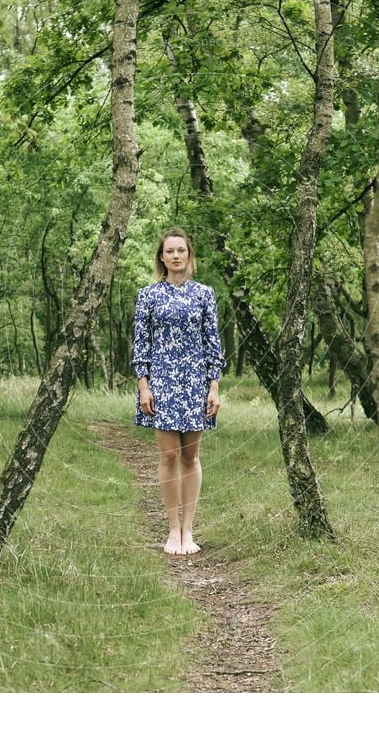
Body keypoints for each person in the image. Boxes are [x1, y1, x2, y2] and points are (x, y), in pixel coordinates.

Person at [132, 227, 225, 555]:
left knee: (191, 456)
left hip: (196, 382)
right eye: (169, 251)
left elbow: (213, 342)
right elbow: (141, 345)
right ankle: (172, 530)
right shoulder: (148, 295)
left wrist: (214, 387)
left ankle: (189, 530)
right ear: (161, 257)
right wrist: (144, 387)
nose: (175, 256)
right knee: (169, 456)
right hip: (162, 382)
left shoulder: (204, 294)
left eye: (180, 250)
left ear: (189, 255)